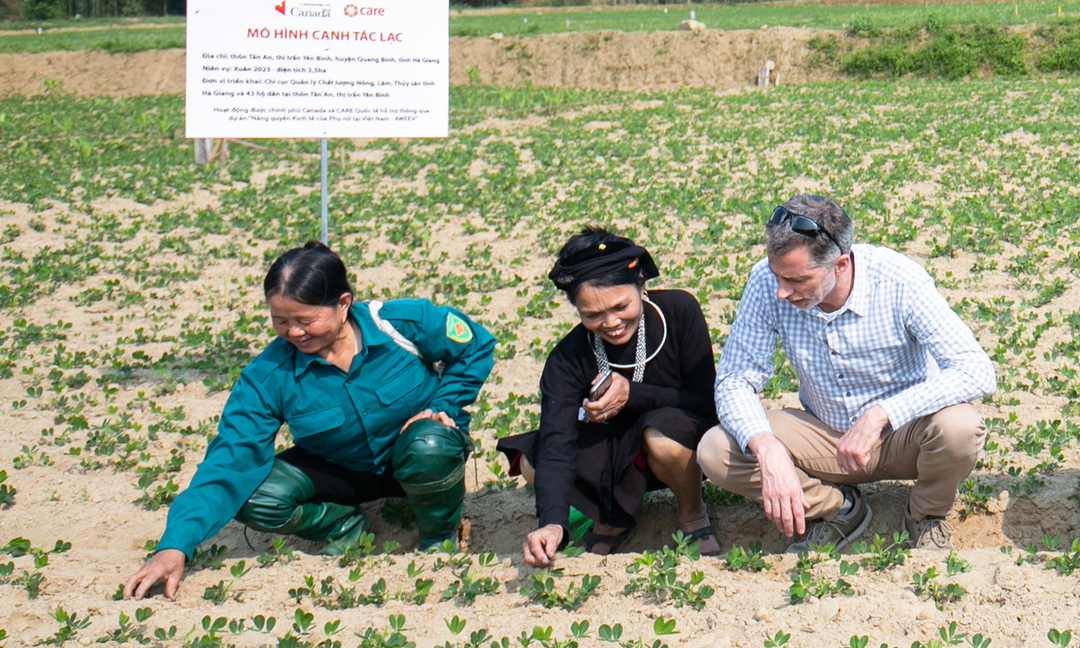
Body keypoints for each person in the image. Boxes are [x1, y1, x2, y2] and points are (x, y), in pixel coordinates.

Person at [124, 241, 495, 599]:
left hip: (419, 458)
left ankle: (438, 539)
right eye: (280, 320)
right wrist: (174, 546)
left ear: (343, 303)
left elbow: (476, 345)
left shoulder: (398, 324)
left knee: (428, 443)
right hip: (342, 472)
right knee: (253, 494)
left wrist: (445, 404)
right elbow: (229, 461)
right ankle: (346, 527)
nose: (294, 332)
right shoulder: (267, 375)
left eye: (306, 319)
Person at [698, 195, 996, 553]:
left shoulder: (899, 280)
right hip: (824, 435)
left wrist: (882, 414)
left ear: (840, 264)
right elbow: (735, 379)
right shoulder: (766, 281)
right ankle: (837, 510)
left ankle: (925, 516)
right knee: (717, 449)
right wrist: (766, 447)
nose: (781, 291)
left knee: (960, 426)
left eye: (796, 279)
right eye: (777, 274)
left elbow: (976, 369)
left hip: (904, 435)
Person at [499, 227, 720, 568]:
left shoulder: (678, 311)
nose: (612, 323)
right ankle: (608, 515)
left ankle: (692, 513)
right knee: (535, 457)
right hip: (610, 453)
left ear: (641, 286)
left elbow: (707, 402)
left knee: (659, 436)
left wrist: (634, 394)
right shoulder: (567, 357)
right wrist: (552, 521)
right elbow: (558, 443)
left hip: (676, 445)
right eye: (592, 314)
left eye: (621, 306)